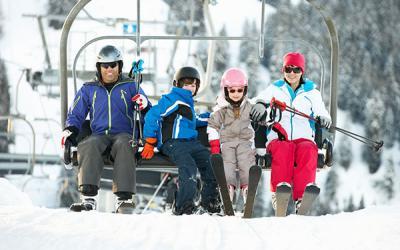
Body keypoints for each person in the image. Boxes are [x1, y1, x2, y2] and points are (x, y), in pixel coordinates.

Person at [61, 45, 151, 214]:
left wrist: (144, 105)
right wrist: (70, 130)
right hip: (100, 135)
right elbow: (76, 113)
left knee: (125, 142)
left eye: (113, 65)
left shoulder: (131, 86)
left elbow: (149, 114)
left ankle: (124, 199)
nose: (109, 70)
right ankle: (88, 198)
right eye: (105, 66)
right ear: (99, 68)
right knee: (89, 144)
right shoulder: (89, 88)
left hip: (124, 134)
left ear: (119, 66)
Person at [250, 52, 331, 215]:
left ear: (302, 71)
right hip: (278, 137)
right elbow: (256, 101)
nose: (292, 73)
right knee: (283, 148)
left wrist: (324, 118)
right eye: (288, 69)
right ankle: (279, 192)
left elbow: (323, 112)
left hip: (304, 138)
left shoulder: (311, 93)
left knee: (309, 149)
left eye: (296, 69)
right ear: (283, 70)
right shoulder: (275, 88)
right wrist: (259, 104)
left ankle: (302, 197)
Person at [141, 66, 220, 215]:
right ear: (178, 84)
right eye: (187, 84)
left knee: (210, 163)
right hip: (174, 142)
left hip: (190, 143)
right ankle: (183, 205)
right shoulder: (173, 99)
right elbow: (152, 115)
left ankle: (209, 202)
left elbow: (195, 120)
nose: (191, 87)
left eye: (194, 84)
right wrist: (150, 141)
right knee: (188, 166)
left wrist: (214, 116)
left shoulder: (188, 104)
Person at [207, 68, 255, 207]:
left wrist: (265, 115)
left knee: (246, 161)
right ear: (225, 90)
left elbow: (263, 120)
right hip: (227, 142)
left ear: (244, 91)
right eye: (232, 90)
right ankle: (228, 189)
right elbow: (212, 125)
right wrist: (215, 145)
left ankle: (247, 189)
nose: (236, 94)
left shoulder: (249, 107)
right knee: (227, 163)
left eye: (239, 90)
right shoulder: (221, 108)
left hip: (245, 142)